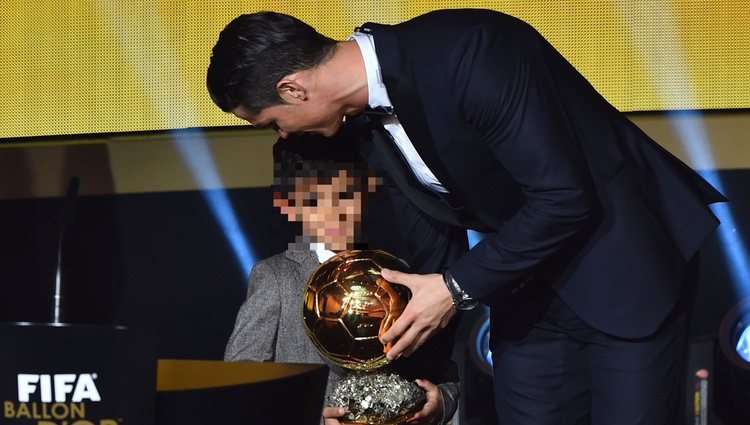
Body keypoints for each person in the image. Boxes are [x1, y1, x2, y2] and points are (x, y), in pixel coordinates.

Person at [207, 9, 726, 424]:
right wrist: (418, 386)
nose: (282, 135)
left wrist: (455, 288)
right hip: (524, 285)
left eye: (270, 121)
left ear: (293, 89)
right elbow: (432, 237)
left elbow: (565, 197)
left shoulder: (470, 49)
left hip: (623, 264)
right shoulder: (364, 123)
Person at [223, 124, 459, 425]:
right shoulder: (276, 277)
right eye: (313, 202)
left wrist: (440, 404)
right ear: (287, 205)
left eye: (345, 195)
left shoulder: (396, 272)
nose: (334, 213)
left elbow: (441, 368)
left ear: (366, 189)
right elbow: (239, 386)